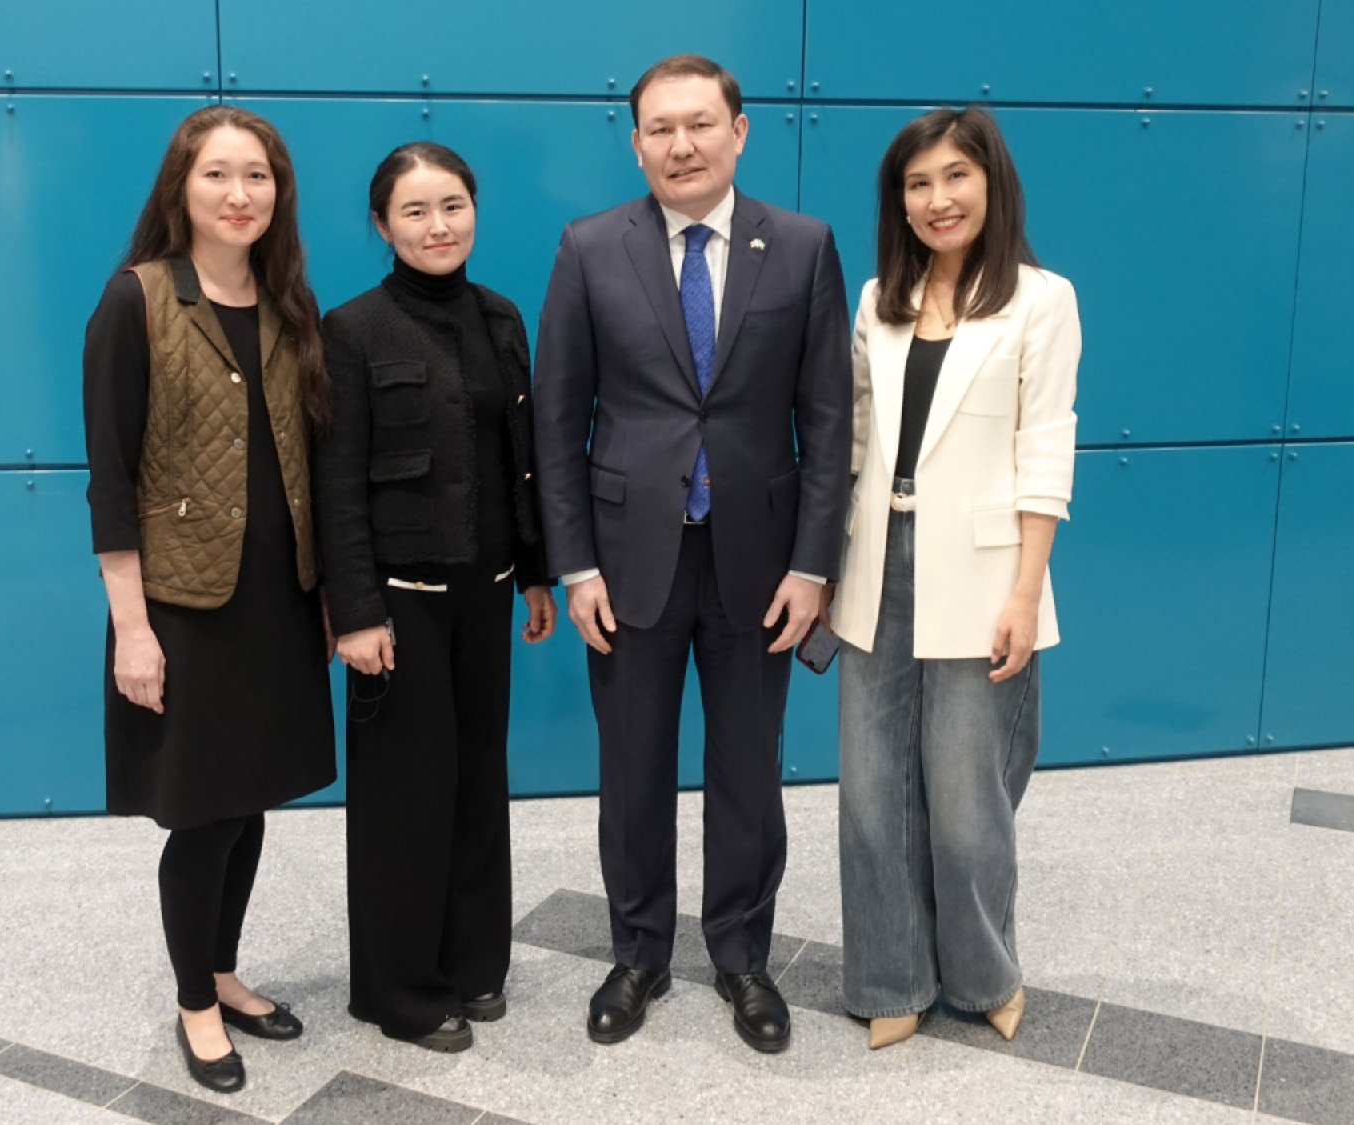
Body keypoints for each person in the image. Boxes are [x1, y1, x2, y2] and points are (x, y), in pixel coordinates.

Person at [534, 54, 850, 1054]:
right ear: (635, 144)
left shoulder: (800, 247)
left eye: (699, 124)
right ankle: (636, 955)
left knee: (746, 770)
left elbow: (828, 421)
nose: (680, 144)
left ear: (739, 130)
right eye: (659, 129)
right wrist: (573, 567)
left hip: (761, 563)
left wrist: (813, 566)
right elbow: (557, 420)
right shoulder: (589, 248)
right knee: (630, 765)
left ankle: (742, 958)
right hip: (626, 561)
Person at [82, 105, 337, 1093]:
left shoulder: (289, 306)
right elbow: (110, 478)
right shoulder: (137, 299)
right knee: (201, 811)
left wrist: (321, 595)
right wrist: (131, 630)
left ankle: (224, 971)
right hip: (185, 606)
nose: (239, 195)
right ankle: (195, 1003)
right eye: (217, 176)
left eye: (258, 177)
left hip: (276, 600)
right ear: (179, 189)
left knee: (252, 795)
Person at [829, 106, 1080, 1050]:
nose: (938, 199)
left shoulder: (1040, 299)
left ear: (991, 184)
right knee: (870, 790)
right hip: (875, 562)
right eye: (917, 183)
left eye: (955, 178)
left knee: (971, 799)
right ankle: (891, 975)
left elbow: (1044, 450)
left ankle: (983, 971)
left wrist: (1025, 590)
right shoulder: (877, 300)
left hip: (983, 570)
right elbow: (855, 440)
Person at [314, 141, 557, 1053]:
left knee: (474, 788)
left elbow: (517, 461)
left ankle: (471, 967)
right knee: (403, 803)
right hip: (398, 606)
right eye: (414, 211)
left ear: (474, 211)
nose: (437, 225)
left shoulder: (502, 317)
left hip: (489, 592)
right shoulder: (352, 328)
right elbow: (336, 483)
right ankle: (402, 992)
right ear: (381, 225)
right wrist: (357, 611)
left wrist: (537, 570)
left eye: (452, 205)